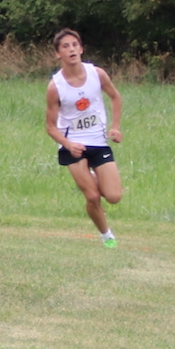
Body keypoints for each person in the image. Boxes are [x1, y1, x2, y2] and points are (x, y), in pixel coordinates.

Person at [44, 28, 125, 243]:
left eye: (74, 45)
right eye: (65, 46)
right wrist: (68, 144)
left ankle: (94, 175)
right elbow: (50, 127)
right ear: (58, 54)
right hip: (73, 146)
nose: (71, 49)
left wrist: (115, 127)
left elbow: (115, 97)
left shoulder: (97, 74)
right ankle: (107, 236)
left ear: (81, 49)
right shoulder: (55, 87)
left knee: (114, 196)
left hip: (98, 141)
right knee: (92, 196)